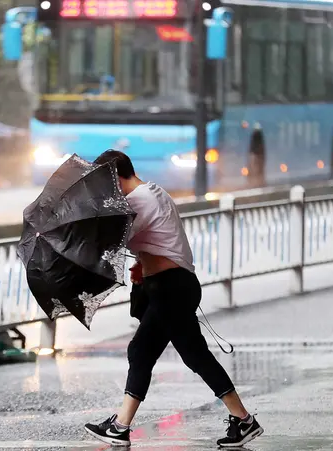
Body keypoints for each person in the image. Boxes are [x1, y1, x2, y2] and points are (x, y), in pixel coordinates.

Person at [83, 150, 264, 448]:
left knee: (188, 355)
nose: (105, 190)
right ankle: (121, 426)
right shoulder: (152, 191)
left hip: (171, 288)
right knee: (144, 351)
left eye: (104, 182)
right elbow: (153, 241)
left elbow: (111, 240)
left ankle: (243, 420)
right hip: (171, 286)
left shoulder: (140, 200)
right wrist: (143, 263)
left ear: (116, 176)